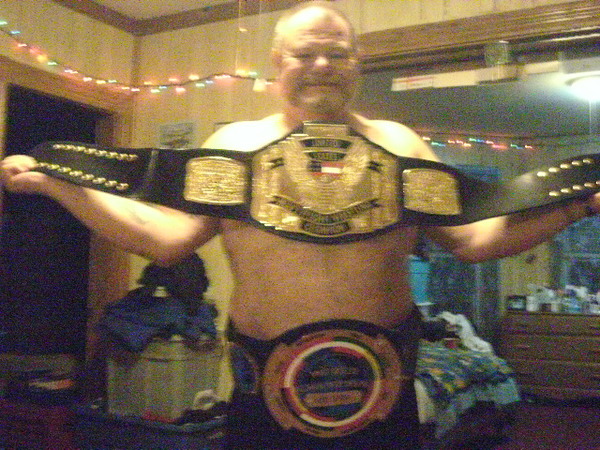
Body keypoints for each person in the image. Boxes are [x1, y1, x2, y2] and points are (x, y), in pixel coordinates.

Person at [1, 2, 598, 448]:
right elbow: (165, 240)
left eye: (337, 54)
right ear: (276, 64)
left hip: (387, 384)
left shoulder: (400, 144)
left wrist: (576, 207)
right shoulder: (235, 145)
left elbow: (471, 241)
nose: (322, 66)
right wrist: (60, 184)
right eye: (304, 53)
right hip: (262, 385)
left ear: (356, 63)